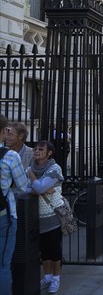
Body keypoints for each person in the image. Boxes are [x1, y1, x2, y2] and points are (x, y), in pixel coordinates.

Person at [25, 141, 64, 294]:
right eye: (35, 149)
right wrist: (39, 189)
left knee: (54, 252)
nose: (36, 151)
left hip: (52, 217)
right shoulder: (31, 166)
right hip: (36, 217)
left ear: (49, 153)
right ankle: (47, 277)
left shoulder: (54, 168)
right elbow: (24, 188)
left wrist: (33, 178)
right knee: (44, 251)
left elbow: (37, 187)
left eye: (41, 149)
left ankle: (56, 279)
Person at [0, 114, 27, 295]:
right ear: (2, 131)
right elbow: (23, 185)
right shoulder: (10, 156)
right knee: (3, 265)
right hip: (4, 216)